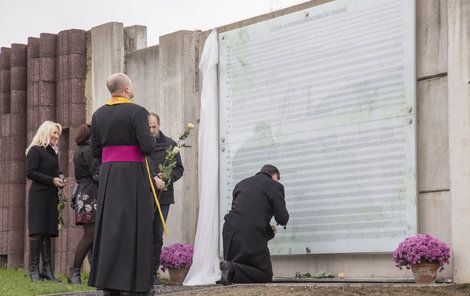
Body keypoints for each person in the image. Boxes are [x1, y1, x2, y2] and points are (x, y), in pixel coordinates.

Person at [88, 73, 155, 296]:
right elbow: (147, 146)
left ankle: (109, 284)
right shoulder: (137, 111)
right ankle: (136, 286)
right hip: (133, 174)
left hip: (109, 175)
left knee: (111, 228)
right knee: (135, 226)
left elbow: (95, 151)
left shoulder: (98, 115)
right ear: (126, 88)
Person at [218, 164, 289, 285]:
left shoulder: (241, 184)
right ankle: (232, 267)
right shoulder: (275, 185)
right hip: (251, 232)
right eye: (277, 179)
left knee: (235, 273)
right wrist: (280, 223)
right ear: (275, 175)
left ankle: (231, 268)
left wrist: (267, 230)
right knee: (265, 275)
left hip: (230, 231)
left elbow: (246, 212)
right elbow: (282, 217)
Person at [26, 121, 65, 282]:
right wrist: (51, 180)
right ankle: (34, 270)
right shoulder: (35, 150)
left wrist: (60, 178)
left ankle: (47, 270)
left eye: (58, 134)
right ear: (46, 132)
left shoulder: (53, 152)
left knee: (47, 232)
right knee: (37, 231)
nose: (56, 136)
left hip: (50, 195)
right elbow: (31, 173)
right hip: (39, 195)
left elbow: (53, 171)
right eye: (54, 133)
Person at [147, 112, 184, 285]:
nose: (151, 130)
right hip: (145, 196)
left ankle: (153, 272)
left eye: (154, 126)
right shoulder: (141, 144)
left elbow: (179, 169)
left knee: (156, 234)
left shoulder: (170, 144)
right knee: (143, 234)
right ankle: (142, 271)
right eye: (148, 127)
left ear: (159, 125)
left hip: (163, 197)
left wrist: (166, 178)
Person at [68, 124, 100, 284]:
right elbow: (98, 175)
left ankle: (89, 273)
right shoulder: (88, 151)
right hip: (90, 197)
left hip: (84, 195)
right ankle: (74, 272)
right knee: (90, 236)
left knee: (92, 236)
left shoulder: (79, 150)